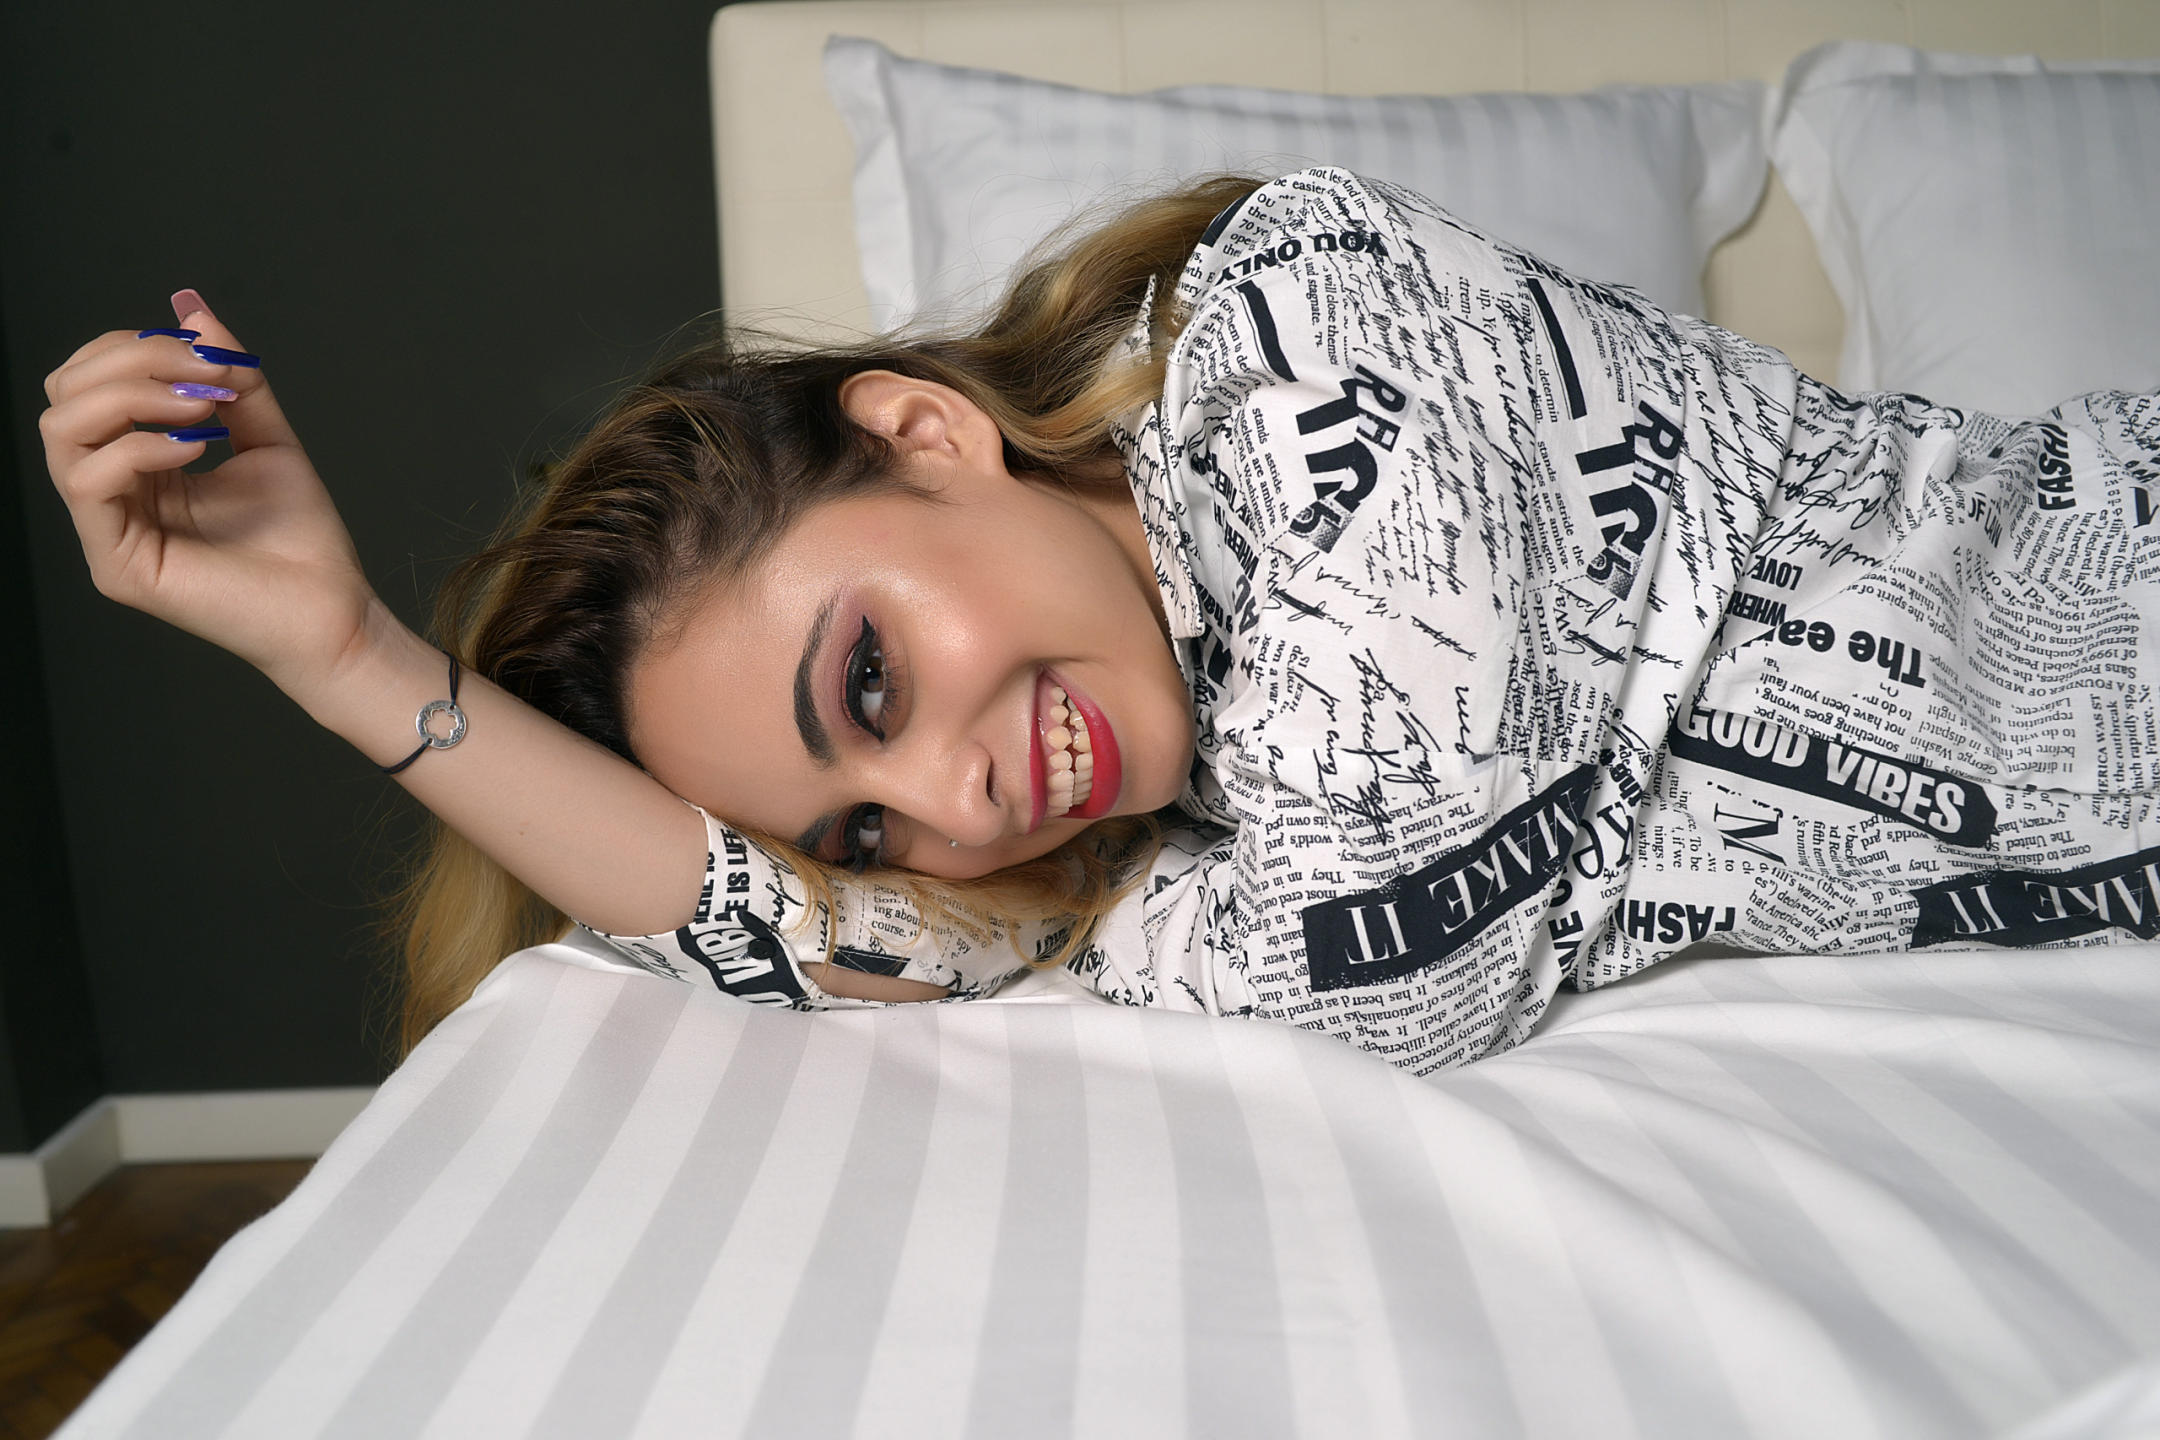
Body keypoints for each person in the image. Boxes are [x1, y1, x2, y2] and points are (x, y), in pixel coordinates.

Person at [41, 169, 2160, 1076]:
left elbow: (1392, 976)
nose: (953, 810)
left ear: (925, 433)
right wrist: (345, 659)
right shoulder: (1154, 815)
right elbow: (816, 929)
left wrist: (1031, 931)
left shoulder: (1315, 319)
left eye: (870, 679)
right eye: (869, 823)